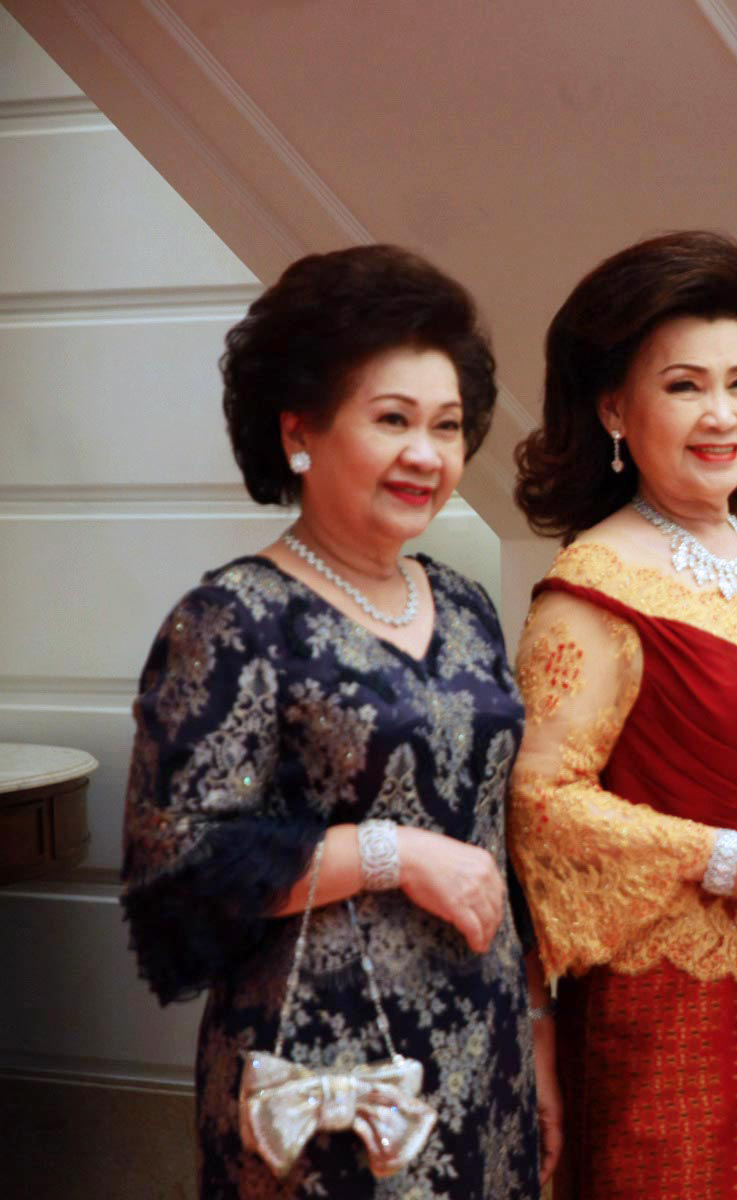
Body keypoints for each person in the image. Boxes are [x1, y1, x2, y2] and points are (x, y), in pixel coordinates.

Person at [120, 245, 541, 1197]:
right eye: (392, 419)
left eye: (448, 425)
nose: (427, 455)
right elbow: (180, 863)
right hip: (323, 1078)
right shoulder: (234, 618)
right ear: (300, 431)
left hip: (486, 1059)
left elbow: (495, 838)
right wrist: (392, 852)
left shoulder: (468, 605)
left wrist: (539, 1033)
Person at [506, 230, 737, 1199]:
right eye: (684, 386)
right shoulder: (589, 590)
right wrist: (726, 861)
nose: (723, 415)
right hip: (668, 1010)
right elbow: (540, 802)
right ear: (613, 410)